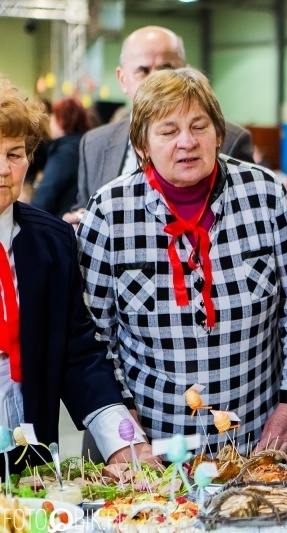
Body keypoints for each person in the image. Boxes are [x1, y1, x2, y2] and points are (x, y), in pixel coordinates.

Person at [76, 67, 287, 456]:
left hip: (255, 438)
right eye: (168, 131)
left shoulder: (265, 195)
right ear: (142, 144)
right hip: (150, 445)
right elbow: (95, 333)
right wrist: (122, 427)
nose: (187, 142)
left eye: (199, 126)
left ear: (218, 134)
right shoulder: (109, 212)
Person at [0, 75, 157, 472]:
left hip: (29, 456)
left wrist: (123, 441)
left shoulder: (52, 241)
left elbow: (77, 350)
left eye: (15, 154)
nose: (3, 170)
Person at [63, 25, 253, 226]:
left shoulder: (231, 139)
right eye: (143, 71)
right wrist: (76, 224)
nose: (155, 80)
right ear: (122, 78)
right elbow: (84, 208)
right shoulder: (94, 143)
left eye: (166, 69)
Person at [31, 98, 91, 218]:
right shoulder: (86, 145)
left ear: (61, 120)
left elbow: (46, 194)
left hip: (59, 222)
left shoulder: (64, 152)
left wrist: (28, 219)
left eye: (53, 116)